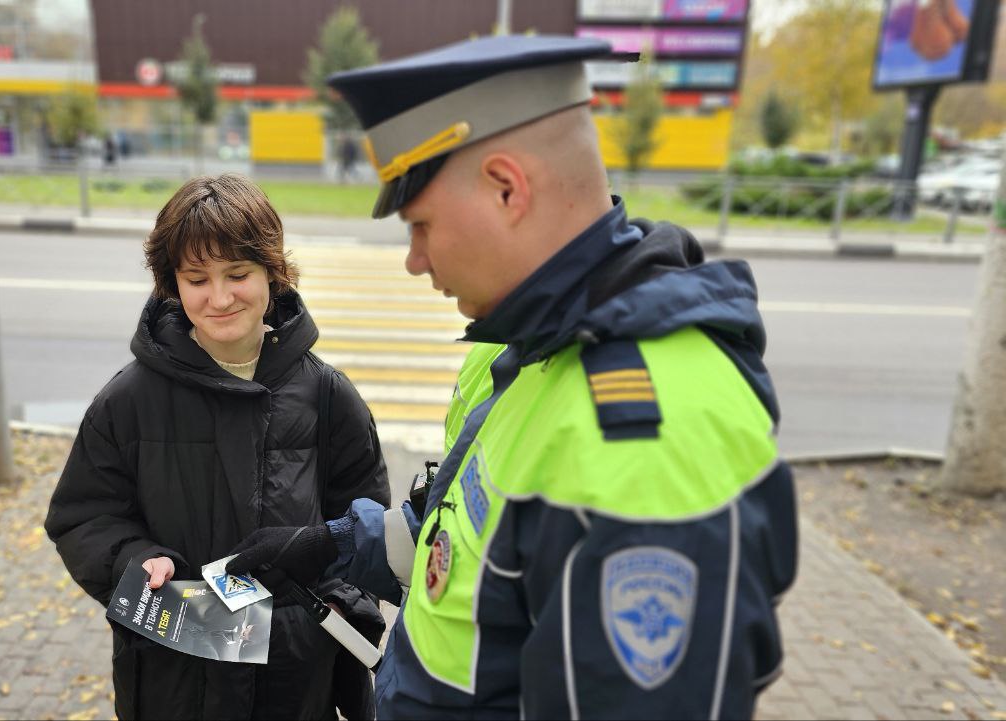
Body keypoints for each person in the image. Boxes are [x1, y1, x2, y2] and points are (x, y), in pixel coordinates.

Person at [225, 35, 798, 720]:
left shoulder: (643, 446)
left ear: (507, 188)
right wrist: (336, 546)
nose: (414, 259)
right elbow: (475, 541)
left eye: (421, 224)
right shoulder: (543, 346)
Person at [44, 173, 391, 720]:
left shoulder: (328, 396)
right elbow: (84, 516)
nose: (221, 297)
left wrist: (330, 612)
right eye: (197, 278)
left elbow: (365, 527)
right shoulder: (128, 400)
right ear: (172, 284)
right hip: (173, 679)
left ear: (272, 273)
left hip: (295, 680)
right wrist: (136, 560)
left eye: (238, 274)